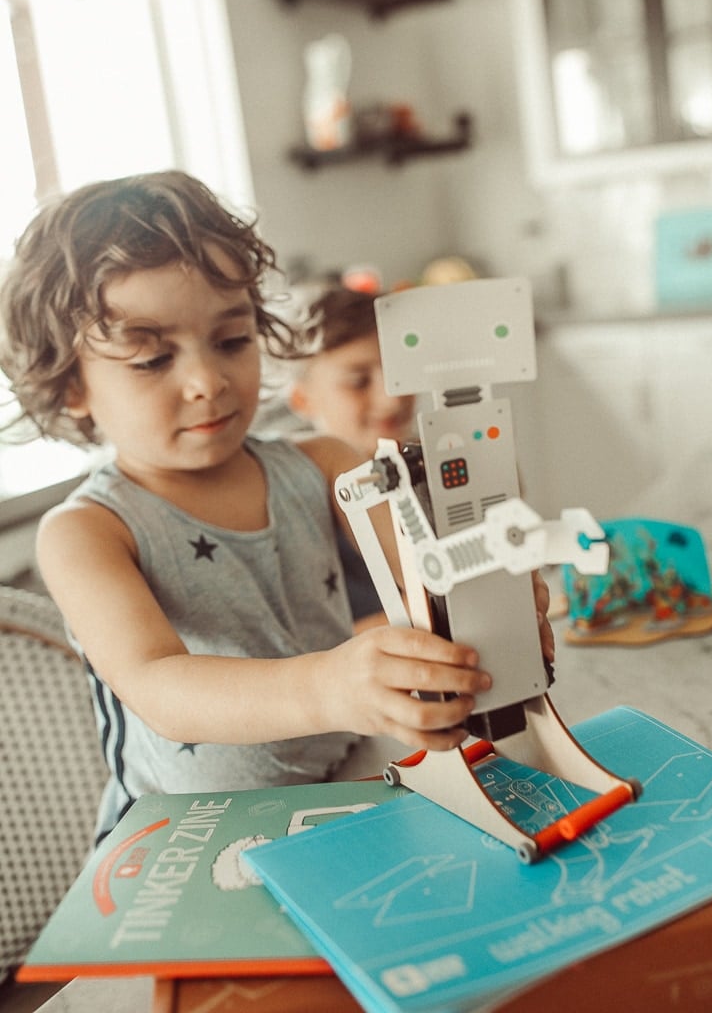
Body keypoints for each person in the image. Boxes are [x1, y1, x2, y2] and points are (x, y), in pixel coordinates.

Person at [0, 171, 552, 842]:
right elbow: (158, 686)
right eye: (151, 360)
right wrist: (330, 689)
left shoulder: (324, 463)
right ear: (69, 388)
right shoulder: (85, 532)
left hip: (337, 787)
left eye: (231, 341)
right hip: (182, 840)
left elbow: (428, 580)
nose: (208, 381)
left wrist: (488, 612)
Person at [283, 285, 416, 625]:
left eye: (401, 374)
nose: (392, 398)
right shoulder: (291, 503)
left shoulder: (430, 468)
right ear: (302, 400)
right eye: (358, 381)